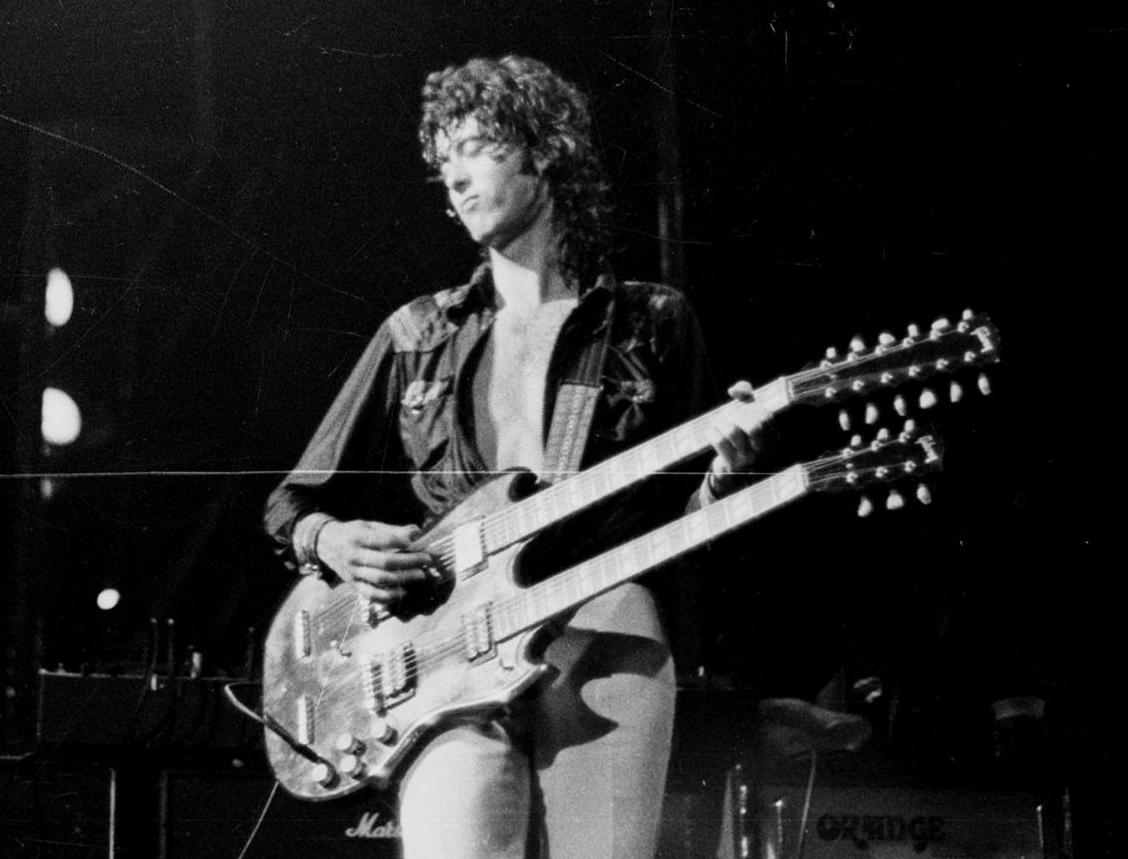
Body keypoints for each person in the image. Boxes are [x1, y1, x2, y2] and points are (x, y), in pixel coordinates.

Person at [265, 54, 770, 859]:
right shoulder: (418, 333)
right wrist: (332, 541)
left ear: (544, 149)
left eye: (475, 149)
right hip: (446, 652)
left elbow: (694, 531)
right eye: (445, 163)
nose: (454, 181)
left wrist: (725, 476)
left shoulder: (652, 322)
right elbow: (292, 503)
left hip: (602, 626)